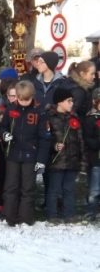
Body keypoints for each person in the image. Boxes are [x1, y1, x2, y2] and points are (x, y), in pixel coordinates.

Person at [0, 80, 50, 226]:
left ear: (32, 96)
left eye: (26, 99)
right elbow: (2, 127)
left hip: (31, 156)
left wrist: (41, 159)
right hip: (13, 154)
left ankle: (25, 218)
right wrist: (5, 135)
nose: (23, 102)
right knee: (10, 187)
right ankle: (8, 217)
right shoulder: (10, 109)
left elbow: (45, 138)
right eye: (20, 99)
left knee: (28, 188)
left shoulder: (40, 112)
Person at [46, 88, 86, 224]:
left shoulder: (74, 118)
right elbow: (46, 138)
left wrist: (82, 161)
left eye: (72, 101)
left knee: (69, 189)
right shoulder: (49, 118)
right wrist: (54, 146)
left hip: (72, 160)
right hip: (56, 161)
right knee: (54, 189)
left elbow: (80, 141)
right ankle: (52, 215)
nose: (72, 104)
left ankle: (69, 215)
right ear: (59, 102)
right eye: (69, 101)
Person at [83, 87, 100, 221]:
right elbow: (87, 138)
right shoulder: (90, 119)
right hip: (95, 160)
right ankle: (91, 211)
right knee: (94, 188)